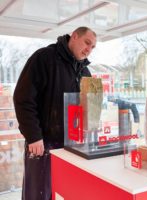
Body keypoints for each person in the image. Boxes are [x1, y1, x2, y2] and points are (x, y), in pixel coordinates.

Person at [13, 27, 97, 200]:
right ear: (74, 36)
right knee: (38, 193)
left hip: (72, 146)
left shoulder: (85, 71)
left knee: (64, 193)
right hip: (42, 144)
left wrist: (90, 128)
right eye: (87, 43)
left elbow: (86, 107)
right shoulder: (44, 58)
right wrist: (33, 136)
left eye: (93, 47)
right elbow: (23, 98)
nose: (89, 49)